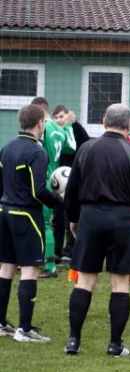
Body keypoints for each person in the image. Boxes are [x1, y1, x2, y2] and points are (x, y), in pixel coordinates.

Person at [63, 104, 130, 356]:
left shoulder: (86, 149)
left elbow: (71, 190)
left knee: (84, 281)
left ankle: (73, 341)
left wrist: (74, 219)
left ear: (104, 120)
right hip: (123, 220)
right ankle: (115, 345)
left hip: (91, 218)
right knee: (120, 284)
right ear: (128, 126)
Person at [0, 104, 63, 342]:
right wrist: (59, 202)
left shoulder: (5, 148)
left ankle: (1, 323)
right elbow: (39, 191)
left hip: (4, 212)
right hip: (26, 216)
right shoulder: (37, 152)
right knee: (30, 269)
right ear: (40, 124)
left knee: (6, 267)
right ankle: (24, 330)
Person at [30, 97, 76, 279]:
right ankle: (40, 259)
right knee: (47, 222)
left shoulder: (44, 128)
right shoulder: (60, 129)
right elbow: (71, 147)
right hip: (55, 180)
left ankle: (49, 266)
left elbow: (35, 148)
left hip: (42, 177)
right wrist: (69, 127)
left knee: (44, 223)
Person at [53, 105, 90, 266]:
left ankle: (69, 252)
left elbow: (86, 142)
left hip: (73, 184)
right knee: (57, 219)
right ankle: (56, 252)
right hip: (56, 184)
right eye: (57, 117)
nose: (60, 120)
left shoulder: (74, 132)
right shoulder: (54, 135)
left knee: (71, 218)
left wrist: (75, 124)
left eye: (62, 116)